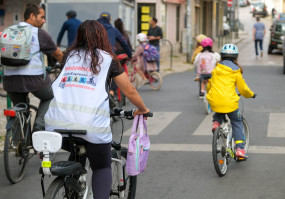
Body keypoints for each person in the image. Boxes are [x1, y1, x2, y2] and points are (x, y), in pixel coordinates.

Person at [44, 20, 150, 199]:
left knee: (78, 149)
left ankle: (72, 184)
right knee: (101, 166)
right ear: (102, 36)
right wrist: (143, 109)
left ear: (79, 36)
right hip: (91, 127)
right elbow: (129, 90)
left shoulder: (69, 56)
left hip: (56, 126)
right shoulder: (108, 59)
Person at [3, 4, 63, 132]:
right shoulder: (39, 33)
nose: (44, 20)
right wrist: (67, 65)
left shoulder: (9, 30)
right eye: (41, 17)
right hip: (34, 79)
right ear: (31, 16)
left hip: (10, 80)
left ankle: (19, 139)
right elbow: (57, 54)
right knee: (50, 97)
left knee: (19, 108)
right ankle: (38, 126)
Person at [206, 44, 256, 158]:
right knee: (237, 122)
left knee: (219, 109)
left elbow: (210, 86)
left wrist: (209, 93)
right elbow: (243, 89)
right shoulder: (236, 71)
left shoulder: (216, 69)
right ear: (236, 57)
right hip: (230, 102)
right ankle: (239, 150)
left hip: (214, 100)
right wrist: (251, 94)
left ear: (222, 57)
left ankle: (216, 123)